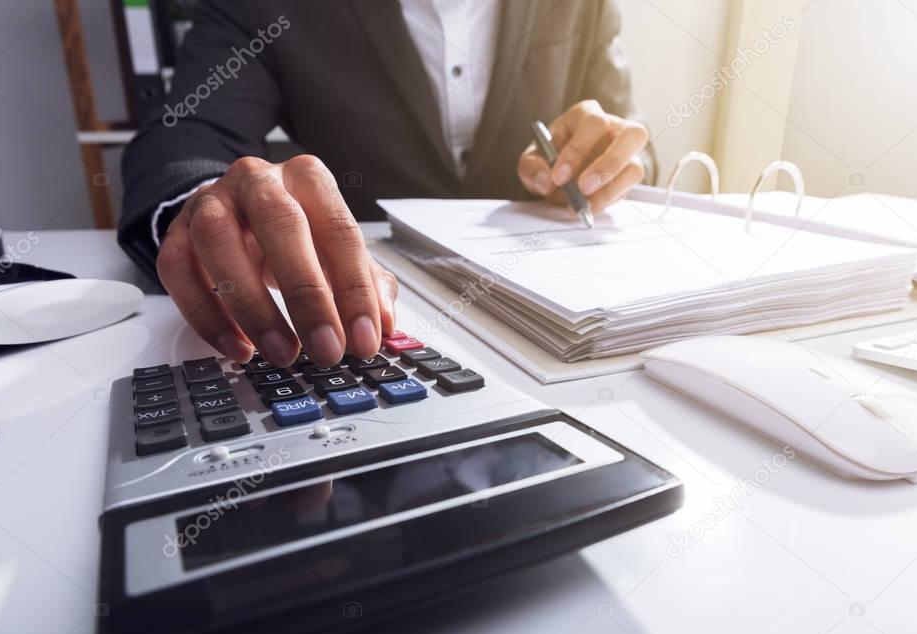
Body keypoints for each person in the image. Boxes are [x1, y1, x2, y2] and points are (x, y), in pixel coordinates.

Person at [118, 0, 655, 368]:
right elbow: (186, 130)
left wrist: (609, 158)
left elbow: (629, 139)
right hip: (371, 303)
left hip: (553, 302)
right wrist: (209, 210)